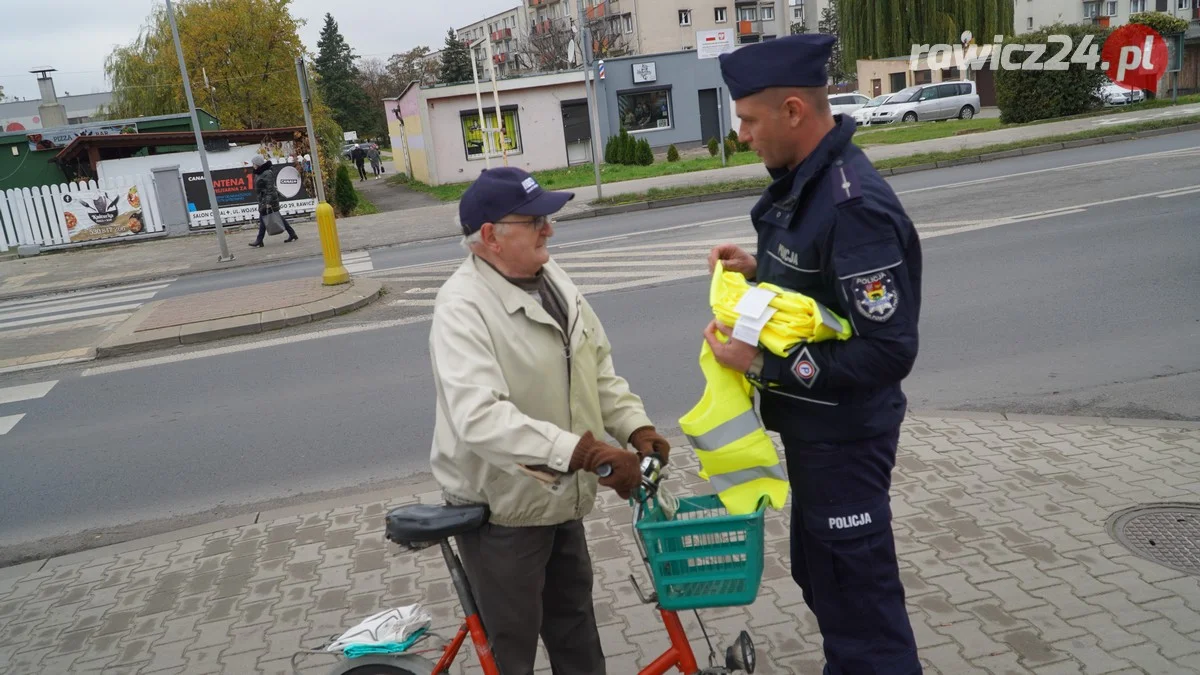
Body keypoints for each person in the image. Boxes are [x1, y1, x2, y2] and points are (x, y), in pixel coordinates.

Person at [704, 34, 923, 674]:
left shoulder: (851, 206)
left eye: (748, 118)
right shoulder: (812, 183)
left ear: (793, 111)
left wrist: (763, 367)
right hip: (817, 435)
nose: (741, 133)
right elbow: (821, 289)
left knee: (862, 615)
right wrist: (759, 265)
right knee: (826, 583)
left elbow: (887, 351)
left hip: (845, 441)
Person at [428, 166, 672, 675]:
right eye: (536, 220)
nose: (550, 230)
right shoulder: (461, 306)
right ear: (492, 237)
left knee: (574, 629)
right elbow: (480, 417)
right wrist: (586, 453)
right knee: (512, 649)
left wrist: (634, 428)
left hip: (561, 495)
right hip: (503, 510)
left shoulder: (553, 278)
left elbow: (595, 368)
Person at [249, 155, 297, 247]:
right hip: (263, 199)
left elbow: (269, 189)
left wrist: (267, 202)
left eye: (254, 163)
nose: (253, 165)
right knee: (276, 217)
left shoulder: (267, 173)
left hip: (268, 200)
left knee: (263, 218)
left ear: (258, 164)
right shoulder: (259, 173)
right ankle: (292, 234)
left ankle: (259, 240)